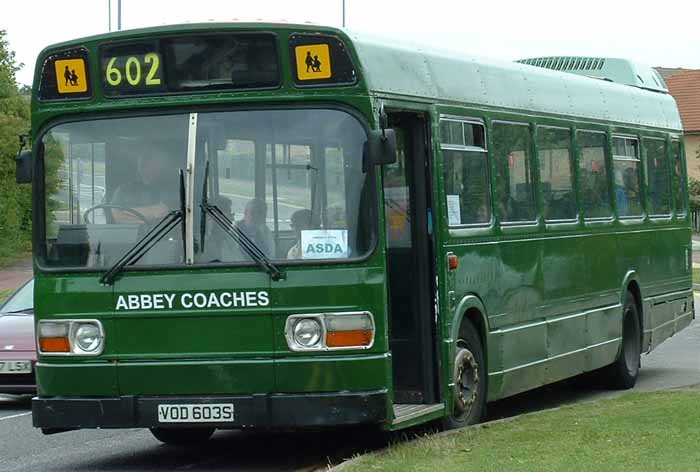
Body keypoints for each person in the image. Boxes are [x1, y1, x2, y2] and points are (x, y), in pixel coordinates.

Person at [110, 153, 176, 223]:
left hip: (161, 232)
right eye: (143, 164)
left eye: (150, 164)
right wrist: (151, 213)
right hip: (128, 233)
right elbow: (116, 217)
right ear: (139, 167)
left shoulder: (170, 189)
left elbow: (162, 211)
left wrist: (126, 213)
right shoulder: (124, 189)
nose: (146, 168)